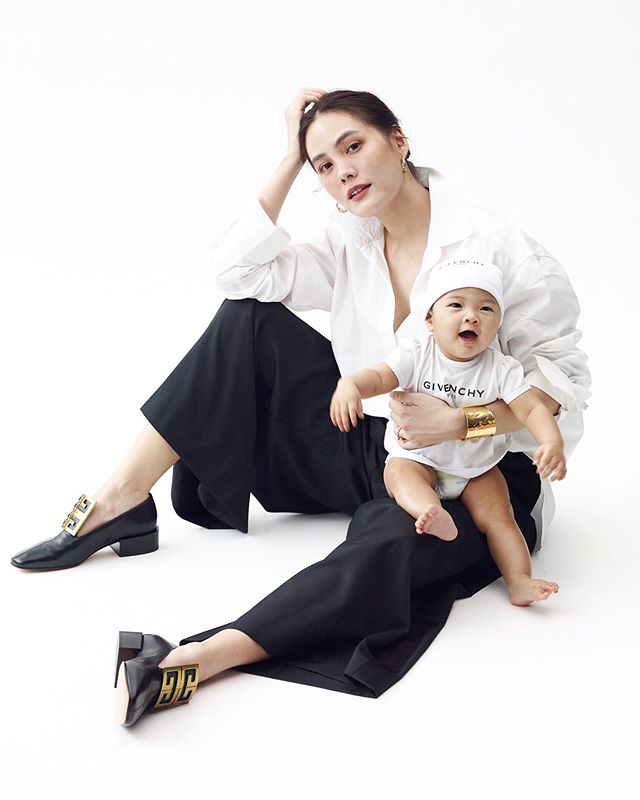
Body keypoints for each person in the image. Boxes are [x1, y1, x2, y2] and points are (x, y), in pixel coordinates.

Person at [10, 88, 590, 727]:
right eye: (324, 164)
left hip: (481, 474)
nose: (343, 171)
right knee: (246, 320)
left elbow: (563, 395)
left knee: (396, 544)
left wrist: (462, 422)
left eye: (353, 146)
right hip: (377, 444)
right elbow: (238, 275)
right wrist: (289, 156)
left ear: (399, 140)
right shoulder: (349, 239)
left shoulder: (505, 250)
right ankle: (120, 502)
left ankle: (195, 659)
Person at [329, 258, 565, 606]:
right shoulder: (416, 353)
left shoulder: (502, 369)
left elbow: (530, 408)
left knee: (501, 517)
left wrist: (551, 440)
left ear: (498, 323)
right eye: (456, 305)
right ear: (430, 319)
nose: (472, 316)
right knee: (399, 475)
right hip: (419, 457)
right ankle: (430, 511)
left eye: (486, 308)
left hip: (475, 468)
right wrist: (350, 384)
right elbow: (379, 377)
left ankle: (519, 580)